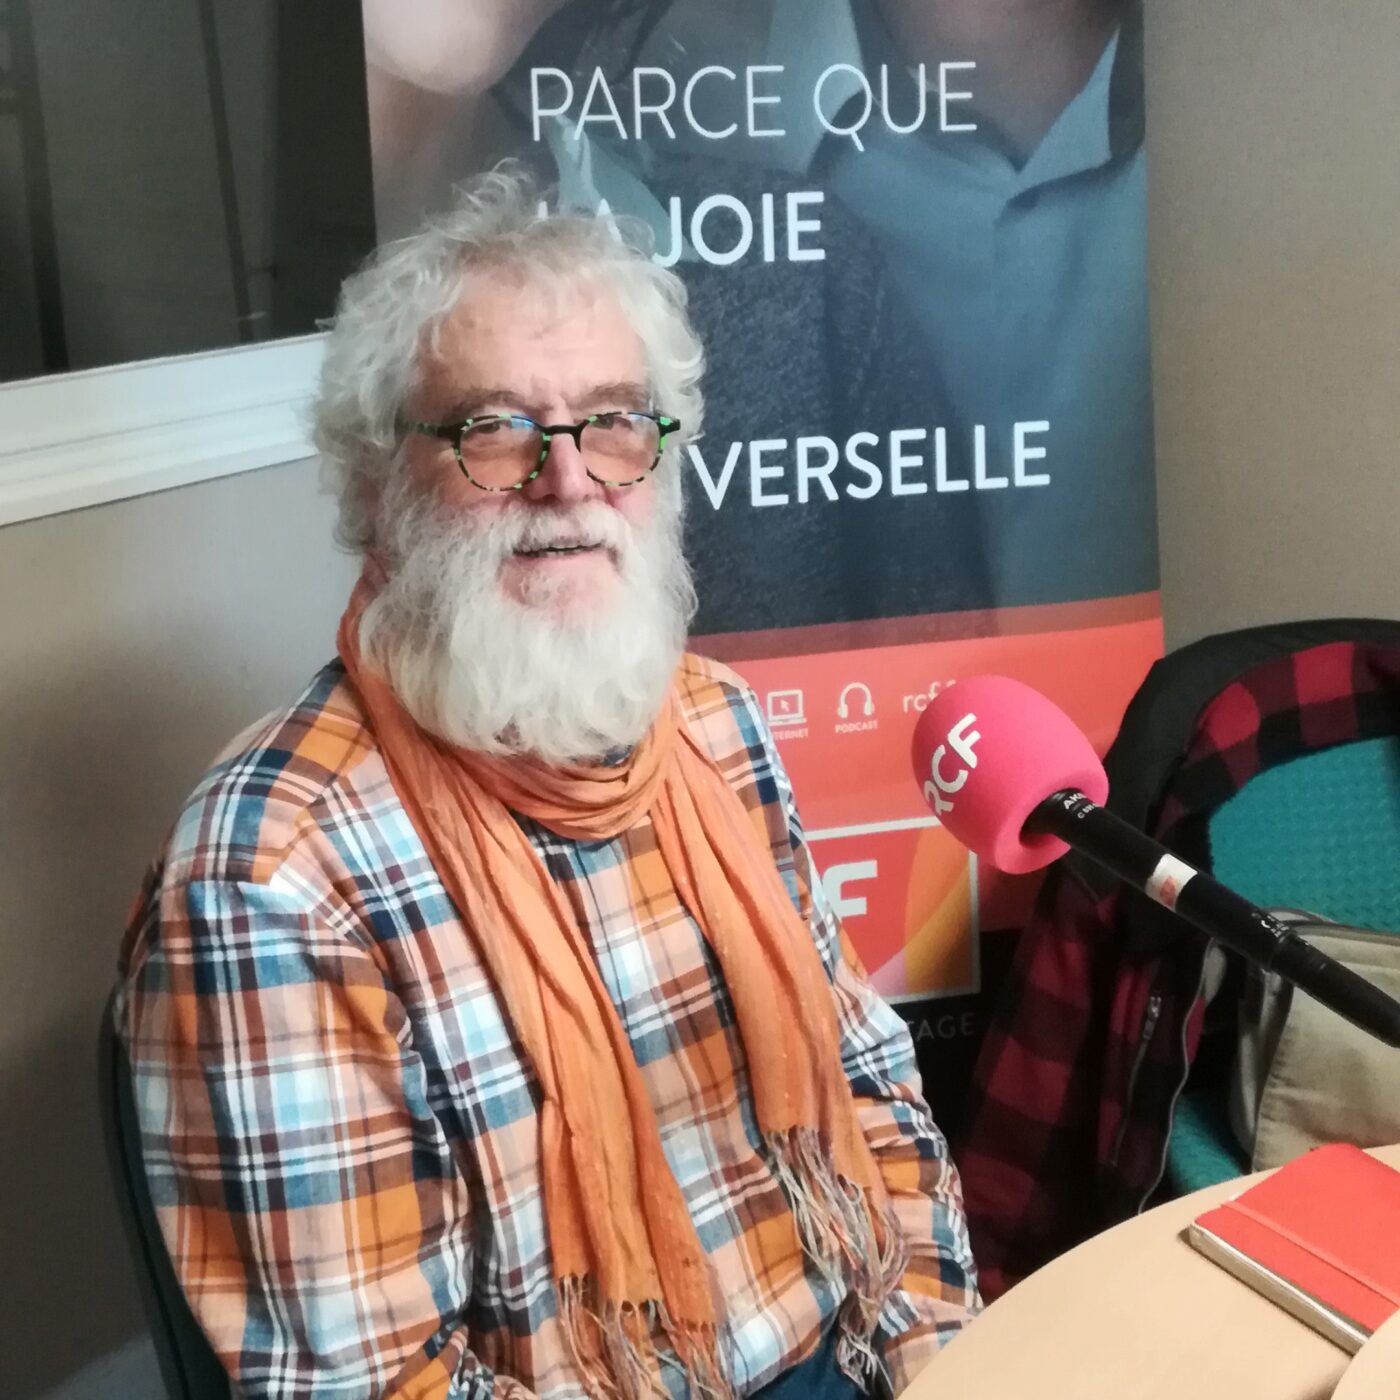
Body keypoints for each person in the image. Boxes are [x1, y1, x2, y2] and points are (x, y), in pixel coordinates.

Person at [115, 170, 979, 1400]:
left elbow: (867, 1082)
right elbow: (375, 1382)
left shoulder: (711, 720)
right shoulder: (270, 872)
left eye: (613, 422)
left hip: (847, 1352)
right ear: (376, 484)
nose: (567, 480)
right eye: (493, 429)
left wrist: (937, 1353)